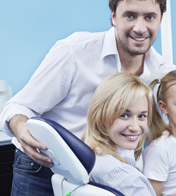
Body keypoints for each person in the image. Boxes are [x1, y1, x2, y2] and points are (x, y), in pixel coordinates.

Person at [0, 0, 167, 195]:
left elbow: (151, 129)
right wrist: (22, 130)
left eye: (149, 17)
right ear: (113, 16)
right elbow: (18, 106)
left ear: (160, 19)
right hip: (44, 165)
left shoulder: (158, 70)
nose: (140, 28)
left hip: (100, 172)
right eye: (130, 16)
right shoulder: (75, 51)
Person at [82, 72, 156, 196]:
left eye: (142, 116)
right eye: (124, 115)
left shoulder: (91, 156)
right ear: (101, 115)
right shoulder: (121, 175)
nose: (135, 127)